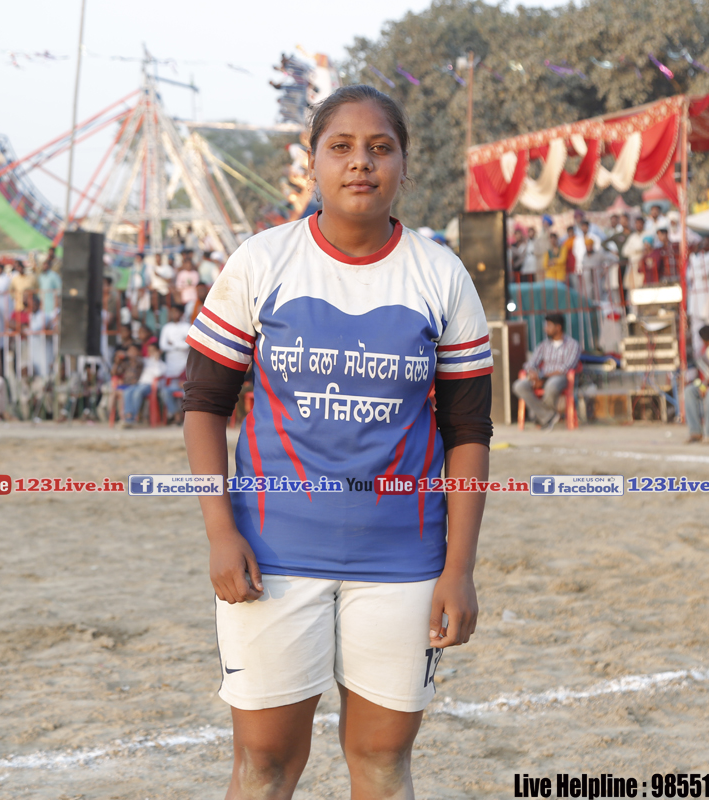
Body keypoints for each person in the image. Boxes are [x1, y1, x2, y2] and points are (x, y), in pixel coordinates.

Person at [181, 85, 492, 800]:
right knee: (264, 764)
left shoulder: (440, 273)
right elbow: (204, 406)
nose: (361, 163)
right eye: (341, 147)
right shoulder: (262, 260)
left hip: (404, 562)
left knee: (382, 762)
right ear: (313, 163)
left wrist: (459, 568)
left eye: (380, 148)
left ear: (405, 164)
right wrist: (220, 533)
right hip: (272, 555)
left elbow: (468, 432)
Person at [512, 313, 581, 430]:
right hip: (540, 377)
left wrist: (542, 376)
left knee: (551, 385)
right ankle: (548, 416)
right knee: (519, 386)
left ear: (558, 327)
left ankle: (541, 417)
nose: (545, 328)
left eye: (548, 325)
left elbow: (566, 367)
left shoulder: (572, 345)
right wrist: (532, 372)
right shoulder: (544, 345)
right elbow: (530, 363)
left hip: (561, 378)